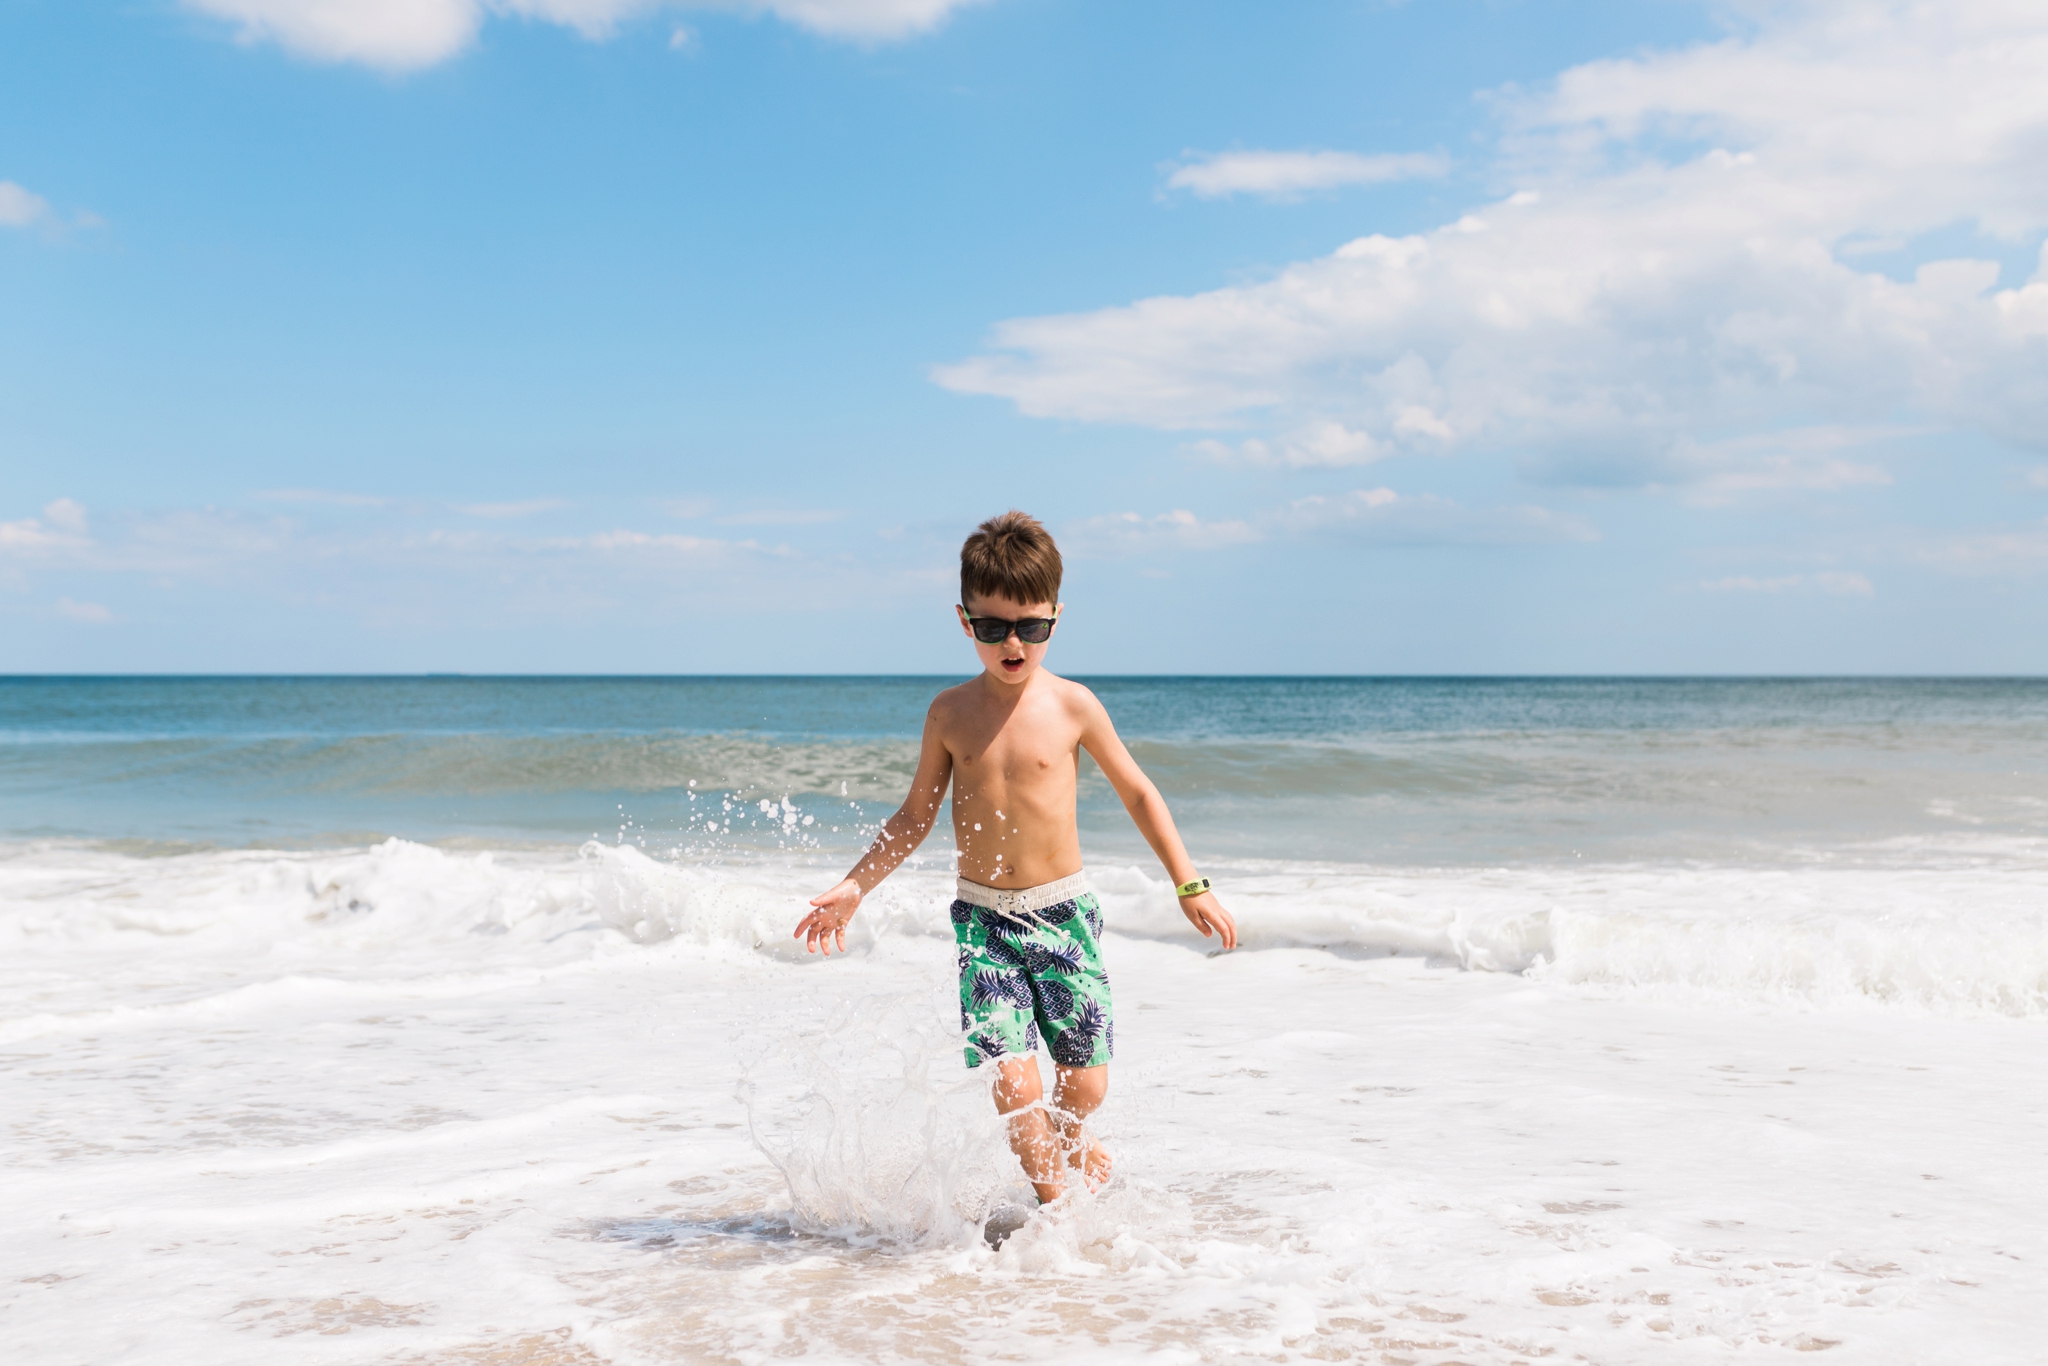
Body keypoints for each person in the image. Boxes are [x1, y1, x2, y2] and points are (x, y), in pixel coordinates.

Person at [795, 510, 1237, 1207]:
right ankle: (1055, 1220)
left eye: (1031, 628)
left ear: (1056, 619)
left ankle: (1075, 1149)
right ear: (964, 619)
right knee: (1016, 1088)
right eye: (993, 626)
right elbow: (914, 817)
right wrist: (855, 887)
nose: (1012, 643)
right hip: (985, 924)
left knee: (1084, 1085)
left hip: (1063, 914)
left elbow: (1140, 793)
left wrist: (1190, 883)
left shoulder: (1073, 706)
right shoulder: (948, 713)